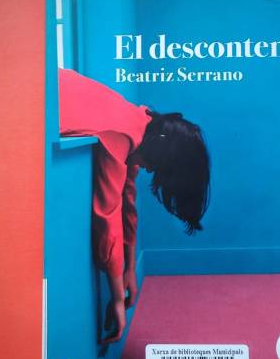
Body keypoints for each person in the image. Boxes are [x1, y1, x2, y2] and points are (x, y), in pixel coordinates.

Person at [58, 68, 210, 343]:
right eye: (156, 168)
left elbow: (128, 202)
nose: (149, 171)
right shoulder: (122, 134)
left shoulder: (139, 123)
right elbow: (107, 214)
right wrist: (118, 298)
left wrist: (130, 269)